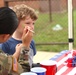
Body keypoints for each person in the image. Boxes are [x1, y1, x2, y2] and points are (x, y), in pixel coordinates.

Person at [0, 4, 38, 69]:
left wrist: (18, 52)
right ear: (15, 23)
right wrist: (25, 45)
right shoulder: (5, 43)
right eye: (27, 23)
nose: (32, 27)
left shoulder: (31, 41)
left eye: (33, 23)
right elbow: (21, 69)